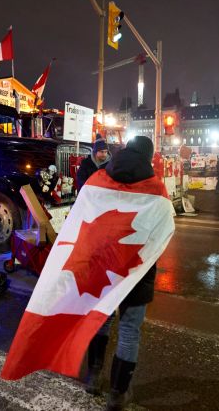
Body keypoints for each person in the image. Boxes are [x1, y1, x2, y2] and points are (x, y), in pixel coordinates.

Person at [83, 136, 161, 410]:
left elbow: (86, 216)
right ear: (149, 157)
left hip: (104, 264)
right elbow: (162, 232)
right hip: (137, 268)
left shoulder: (102, 177)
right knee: (129, 331)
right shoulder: (156, 188)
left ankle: (93, 376)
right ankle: (117, 394)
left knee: (100, 321)